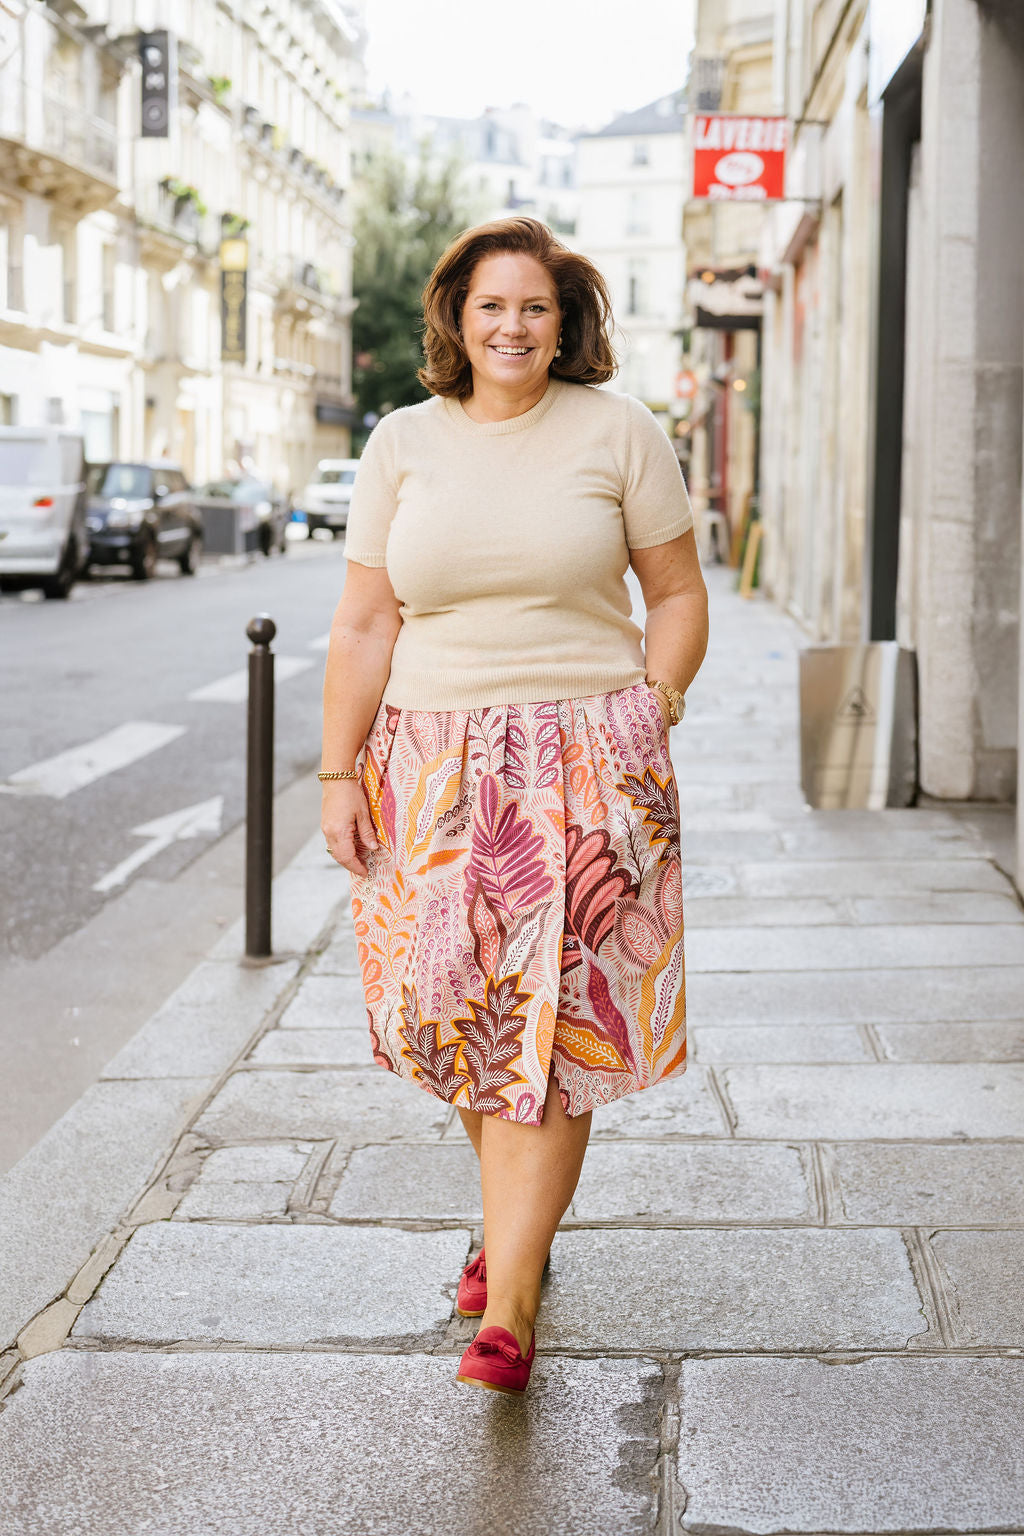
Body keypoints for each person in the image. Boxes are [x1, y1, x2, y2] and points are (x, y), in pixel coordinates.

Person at [320, 215, 709, 1397]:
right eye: (492, 307)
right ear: (455, 318)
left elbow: (678, 592)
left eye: (534, 307)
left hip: (589, 760)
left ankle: (516, 1304)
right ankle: (504, 1229)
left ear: (565, 320)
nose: (512, 327)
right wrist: (338, 770)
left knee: (559, 1028)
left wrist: (656, 700)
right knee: (463, 1017)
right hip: (430, 770)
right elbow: (365, 623)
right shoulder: (401, 443)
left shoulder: (619, 431)